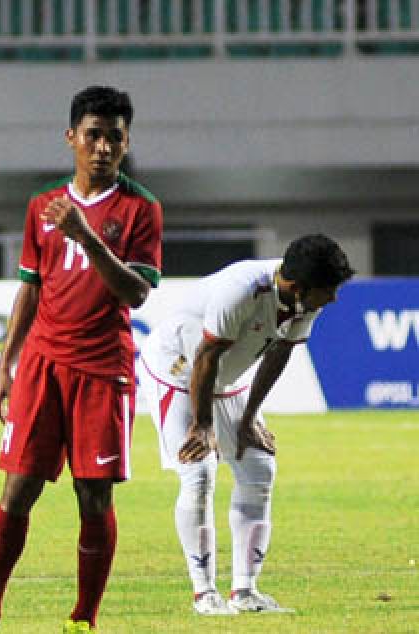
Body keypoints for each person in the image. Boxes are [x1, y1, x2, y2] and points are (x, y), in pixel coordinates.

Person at [0, 85, 163, 634]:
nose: (102, 147)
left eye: (113, 138)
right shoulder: (40, 207)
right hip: (43, 365)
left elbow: (137, 294)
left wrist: (88, 237)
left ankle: (82, 619)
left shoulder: (141, 209)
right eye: (92, 135)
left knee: (92, 496)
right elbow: (29, 288)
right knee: (17, 487)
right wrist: (7, 364)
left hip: (102, 366)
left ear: (126, 143)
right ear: (71, 138)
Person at [138, 234, 354, 616]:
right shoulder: (239, 290)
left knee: (258, 468)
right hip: (179, 369)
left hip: (226, 376)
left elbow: (279, 354)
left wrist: (249, 417)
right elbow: (205, 357)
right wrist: (203, 425)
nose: (333, 298)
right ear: (298, 286)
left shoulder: (306, 299)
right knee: (199, 473)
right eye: (328, 290)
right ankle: (204, 594)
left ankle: (245, 591)